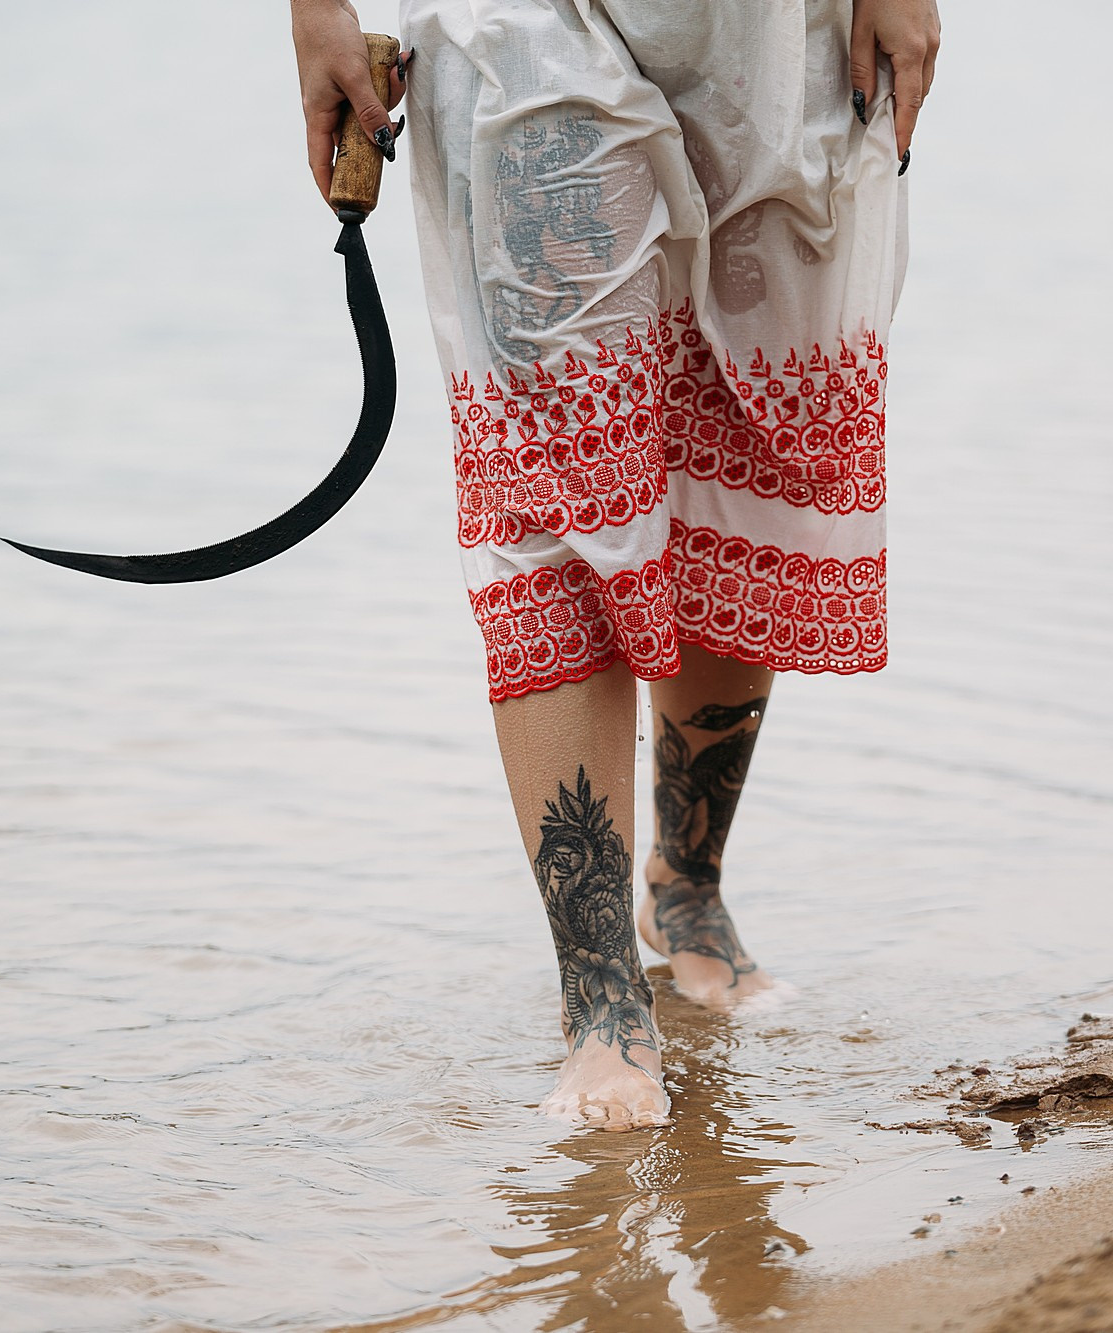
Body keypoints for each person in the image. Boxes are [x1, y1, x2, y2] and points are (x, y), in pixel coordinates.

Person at [289, 0, 939, 1131]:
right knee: (560, 478)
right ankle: (599, 1000)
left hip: (782, 32)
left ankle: (686, 900)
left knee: (744, 439)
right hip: (514, 21)